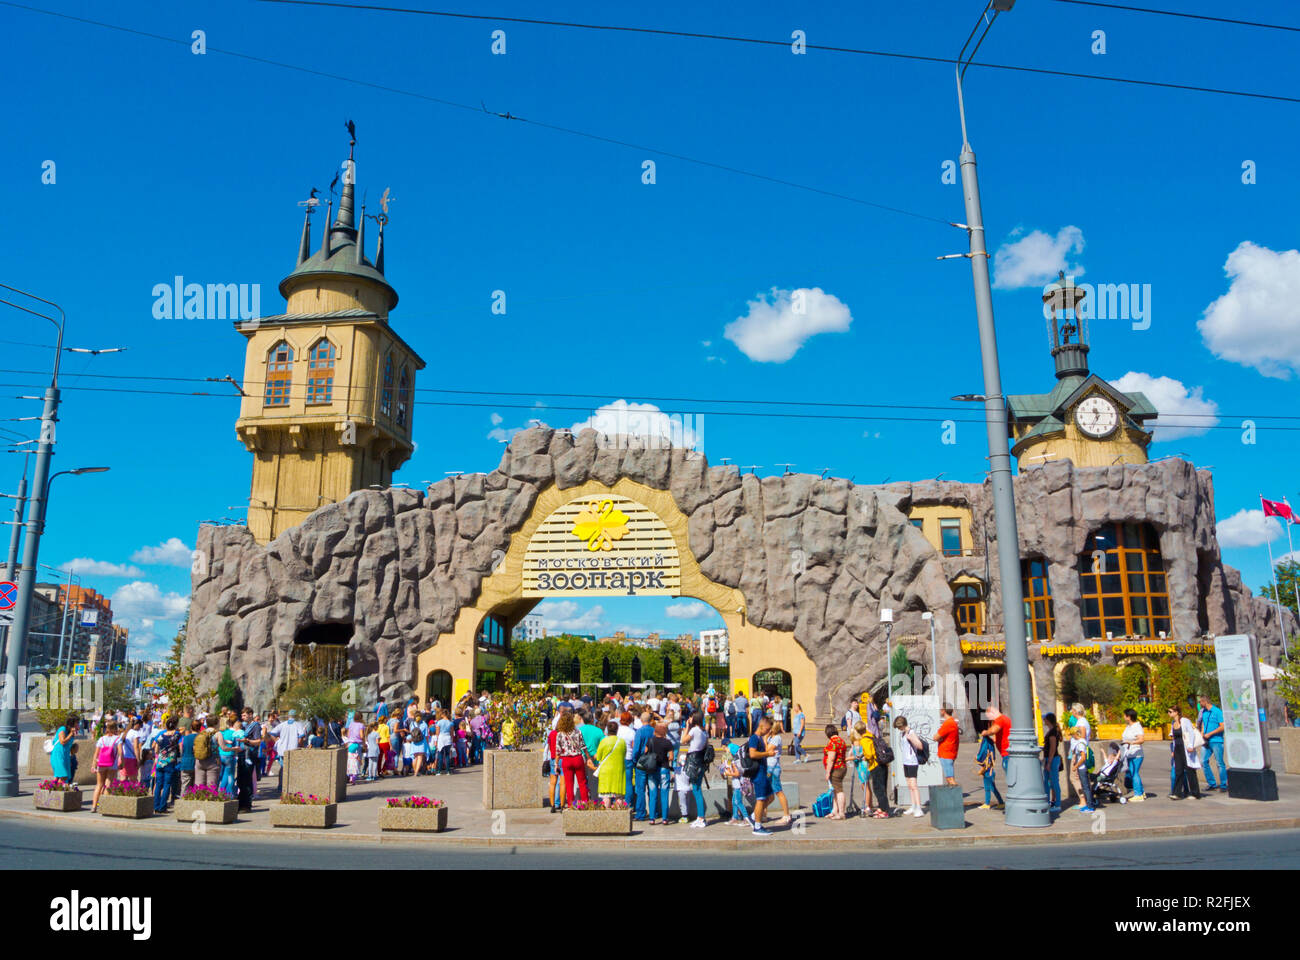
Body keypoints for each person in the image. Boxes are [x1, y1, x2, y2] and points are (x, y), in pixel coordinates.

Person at [554, 712, 591, 807]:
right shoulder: (578, 732)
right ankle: (585, 803)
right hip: (577, 758)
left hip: (566, 759)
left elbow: (558, 751)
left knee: (569, 784)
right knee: (582, 783)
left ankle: (571, 805)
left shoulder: (559, 734)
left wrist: (556, 764)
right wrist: (588, 758)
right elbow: (583, 746)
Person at [894, 715, 926, 817]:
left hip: (912, 762)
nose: (899, 729)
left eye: (900, 727)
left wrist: (911, 737)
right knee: (909, 785)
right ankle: (913, 806)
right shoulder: (903, 733)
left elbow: (920, 746)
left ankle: (919, 808)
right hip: (906, 761)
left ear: (903, 725)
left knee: (914, 785)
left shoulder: (911, 733)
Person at [681, 714, 710, 827]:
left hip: (693, 761)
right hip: (701, 761)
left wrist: (687, 727)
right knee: (697, 788)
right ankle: (700, 817)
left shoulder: (694, 730)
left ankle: (701, 817)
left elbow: (683, 740)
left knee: (696, 789)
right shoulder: (704, 732)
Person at [1169, 705, 1203, 800]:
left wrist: (1191, 745)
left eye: (1170, 711)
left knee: (1190, 770)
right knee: (1178, 771)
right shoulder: (1173, 723)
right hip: (1177, 749)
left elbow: (1191, 733)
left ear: (1176, 712)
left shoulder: (1185, 721)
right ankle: (1177, 793)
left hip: (1186, 749)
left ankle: (1195, 793)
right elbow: (1174, 738)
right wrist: (1173, 750)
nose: (1169, 713)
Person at [645, 722, 675, 825]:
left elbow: (645, 752)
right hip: (664, 768)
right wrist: (664, 758)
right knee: (664, 793)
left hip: (652, 769)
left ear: (655, 731)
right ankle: (665, 819)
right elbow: (671, 757)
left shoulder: (650, 741)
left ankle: (652, 818)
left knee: (652, 794)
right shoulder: (667, 742)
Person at [1197, 695, 1227, 791]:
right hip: (1206, 741)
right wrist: (1202, 733)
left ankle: (1223, 785)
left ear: (1205, 702)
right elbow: (1204, 724)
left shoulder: (1217, 711)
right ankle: (1212, 783)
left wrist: (1210, 734)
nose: (1199, 704)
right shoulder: (1204, 712)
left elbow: (1222, 726)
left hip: (1216, 740)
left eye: (1200, 702)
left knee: (1219, 763)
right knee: (1203, 761)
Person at [764, 720, 792, 826]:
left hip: (773, 767)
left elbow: (766, 749)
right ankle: (763, 814)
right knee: (768, 793)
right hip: (769, 767)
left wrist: (765, 739)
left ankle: (786, 815)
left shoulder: (776, 738)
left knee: (778, 791)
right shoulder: (772, 737)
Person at [594, 721, 627, 807]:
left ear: (607, 730)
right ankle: (619, 816)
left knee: (606, 796)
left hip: (606, 772)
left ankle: (606, 817)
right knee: (618, 796)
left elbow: (598, 757)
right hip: (618, 771)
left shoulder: (604, 741)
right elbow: (624, 754)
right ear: (617, 730)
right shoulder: (622, 742)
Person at [91, 722, 122, 811]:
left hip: (101, 764)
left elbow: (96, 754)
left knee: (99, 785)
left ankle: (94, 806)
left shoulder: (101, 739)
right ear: (115, 728)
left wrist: (93, 765)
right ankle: (103, 805)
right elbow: (120, 752)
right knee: (108, 784)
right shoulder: (117, 739)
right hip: (112, 764)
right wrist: (122, 762)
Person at [152, 718, 181, 813]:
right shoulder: (176, 736)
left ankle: (156, 806)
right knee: (167, 784)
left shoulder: (161, 736)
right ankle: (162, 806)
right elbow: (181, 735)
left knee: (158, 784)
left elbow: (156, 750)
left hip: (160, 762)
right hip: (170, 761)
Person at [822, 722, 849, 821]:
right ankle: (835, 810)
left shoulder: (832, 742)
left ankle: (841, 813)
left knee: (839, 790)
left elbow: (831, 759)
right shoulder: (841, 741)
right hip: (842, 767)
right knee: (835, 790)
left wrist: (828, 772)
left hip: (836, 768)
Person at [237, 707, 262, 811]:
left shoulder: (255, 725)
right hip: (242, 754)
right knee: (240, 779)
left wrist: (247, 740)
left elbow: (258, 741)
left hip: (250, 755)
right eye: (242, 715)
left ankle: (246, 805)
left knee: (247, 779)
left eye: (244, 715)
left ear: (250, 714)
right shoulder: (243, 726)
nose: (242, 717)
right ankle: (241, 802)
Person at [1121, 708, 1146, 801]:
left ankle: (1138, 795)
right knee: (1132, 773)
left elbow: (1141, 739)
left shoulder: (1137, 727)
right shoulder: (1129, 726)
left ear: (1129, 717)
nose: (1123, 717)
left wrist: (1131, 743)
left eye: (1125, 715)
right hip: (1129, 753)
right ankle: (1141, 792)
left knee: (1134, 773)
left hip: (1136, 754)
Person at [1069, 725, 1096, 813]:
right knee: (1086, 786)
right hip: (1084, 767)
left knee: (1085, 787)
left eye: (1072, 735)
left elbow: (1083, 757)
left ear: (1075, 734)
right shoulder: (1083, 741)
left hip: (1082, 768)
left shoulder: (1080, 744)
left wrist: (1075, 766)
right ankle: (1089, 804)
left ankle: (1090, 806)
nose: (1072, 736)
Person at [975, 731, 1003, 810]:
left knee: (989, 787)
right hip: (989, 768)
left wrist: (978, 758)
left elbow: (982, 753)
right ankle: (998, 802)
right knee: (991, 787)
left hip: (988, 769)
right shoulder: (990, 743)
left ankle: (990, 803)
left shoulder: (986, 742)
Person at [1042, 713, 1063, 813]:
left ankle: (1058, 804)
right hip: (1049, 759)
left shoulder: (1053, 732)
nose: (1043, 720)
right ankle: (1048, 802)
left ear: (1048, 720)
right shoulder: (1052, 731)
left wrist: (1049, 762)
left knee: (1054, 782)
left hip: (1052, 760)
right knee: (1047, 782)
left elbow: (1053, 748)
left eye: (1045, 719)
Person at [935, 704, 959, 786]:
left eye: (941, 709)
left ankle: (955, 795)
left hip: (946, 753)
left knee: (950, 777)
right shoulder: (952, 722)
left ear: (944, 711)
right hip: (949, 752)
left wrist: (939, 738)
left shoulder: (948, 723)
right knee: (949, 777)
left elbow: (935, 737)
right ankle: (952, 795)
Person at [50, 715, 78, 783]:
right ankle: (58, 791)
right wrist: (71, 734)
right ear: (72, 723)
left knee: (58, 777)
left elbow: (68, 745)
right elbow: (62, 741)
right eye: (77, 722)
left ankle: (51, 789)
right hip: (58, 755)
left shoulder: (70, 732)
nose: (78, 724)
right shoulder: (62, 729)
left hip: (66, 756)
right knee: (63, 776)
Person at [178, 719, 198, 796]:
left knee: (185, 785)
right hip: (196, 763)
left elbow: (181, 750)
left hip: (185, 762)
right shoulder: (200, 737)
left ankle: (183, 802)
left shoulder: (185, 738)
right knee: (195, 786)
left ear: (191, 728)